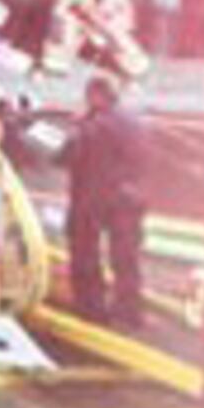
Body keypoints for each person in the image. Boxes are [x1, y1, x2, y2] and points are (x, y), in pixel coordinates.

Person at [62, 76, 154, 327]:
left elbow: (66, 155)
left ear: (96, 96)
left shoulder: (93, 126)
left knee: (85, 254)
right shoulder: (137, 122)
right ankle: (129, 312)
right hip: (130, 198)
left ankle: (91, 309)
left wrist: (76, 126)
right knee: (126, 259)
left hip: (94, 198)